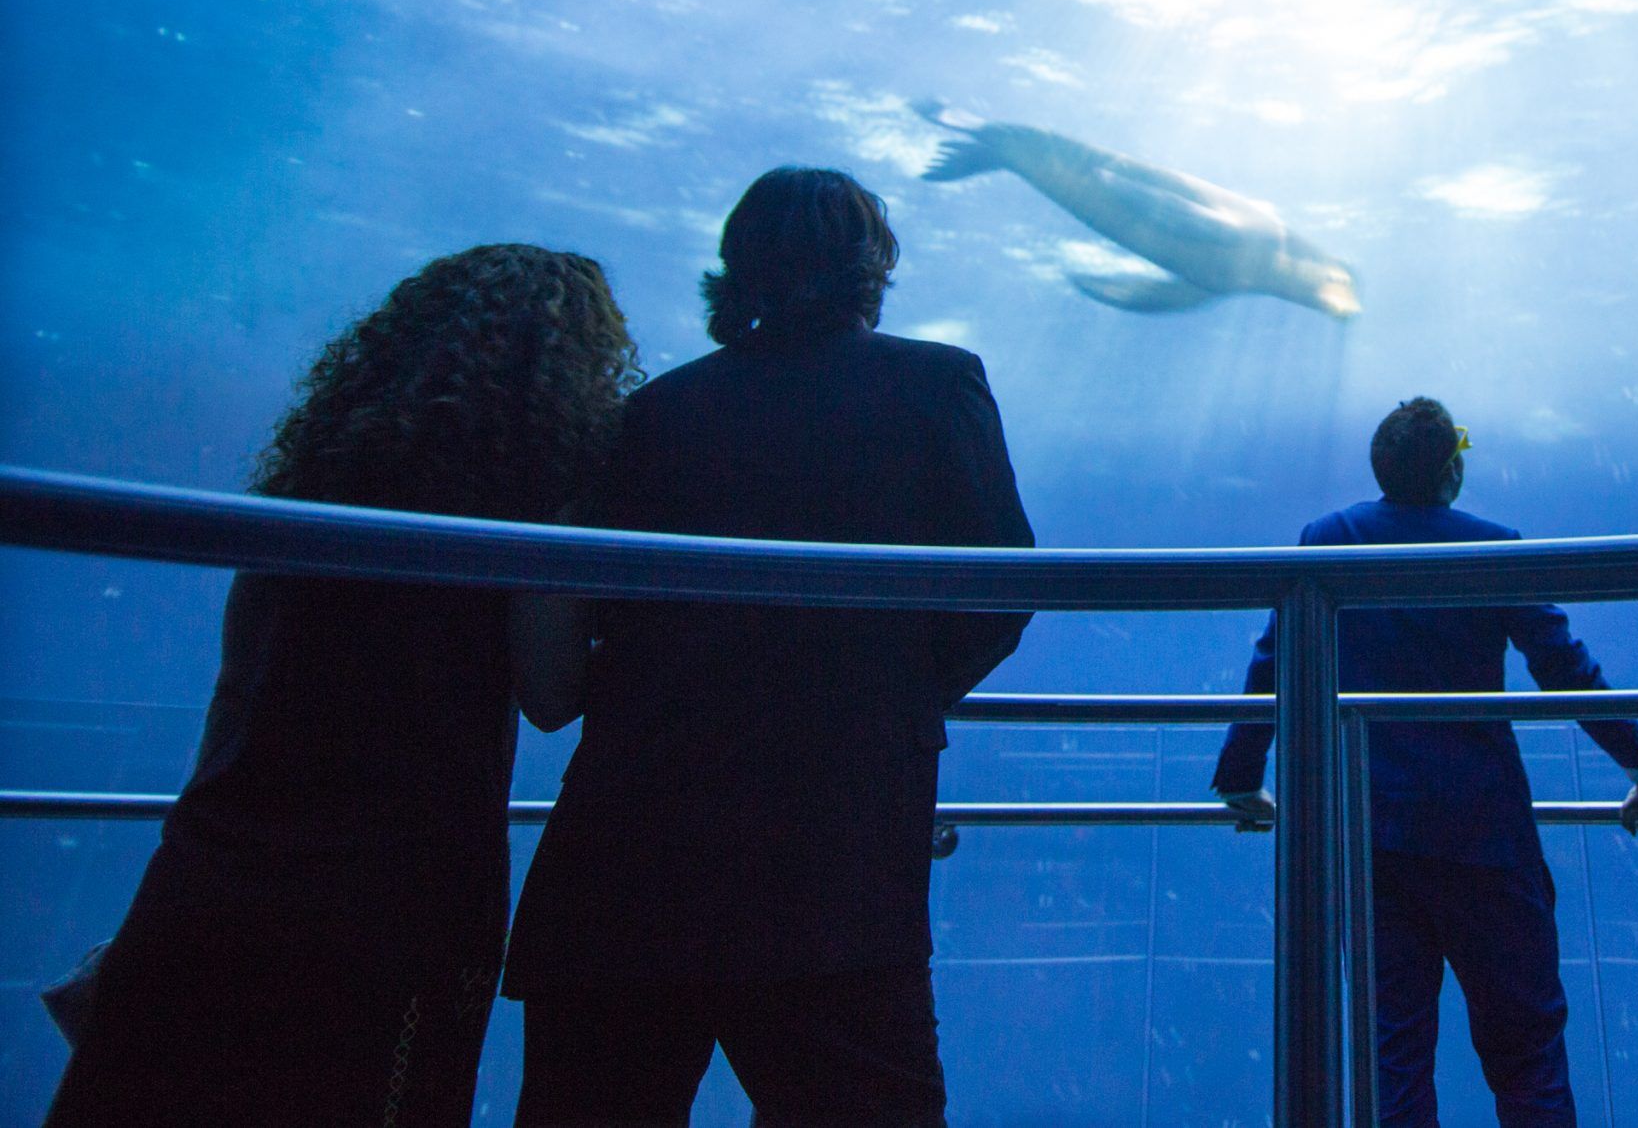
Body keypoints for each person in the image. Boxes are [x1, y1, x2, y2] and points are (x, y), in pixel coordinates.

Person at [45, 245, 641, 1128]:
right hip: (401, 884)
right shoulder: (536, 501)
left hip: (221, 861)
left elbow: (234, 691)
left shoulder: (316, 478)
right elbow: (550, 695)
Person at [504, 166, 1034, 1128]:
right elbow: (1002, 593)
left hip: (624, 867)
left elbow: (561, 672)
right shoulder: (937, 384)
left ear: (734, 267)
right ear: (872, 268)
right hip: (830, 872)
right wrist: (883, 700)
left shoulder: (652, 414)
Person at [1212, 398, 1638, 1128]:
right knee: (1527, 1050)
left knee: (1393, 1054)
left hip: (1371, 837)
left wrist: (1240, 777)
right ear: (1452, 469)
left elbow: (1273, 662)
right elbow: (1563, 666)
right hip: (1483, 835)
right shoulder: (1494, 547)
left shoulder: (1327, 540)